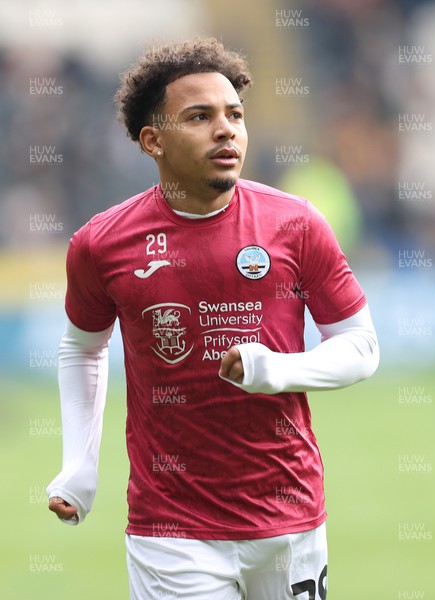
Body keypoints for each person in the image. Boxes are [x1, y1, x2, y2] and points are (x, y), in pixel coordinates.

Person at [47, 37, 379, 600]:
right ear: (153, 140)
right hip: (170, 530)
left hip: (289, 515)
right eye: (199, 117)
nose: (226, 130)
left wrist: (274, 369)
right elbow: (82, 347)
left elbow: (361, 347)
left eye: (235, 115)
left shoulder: (296, 224)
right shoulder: (101, 244)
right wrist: (79, 466)